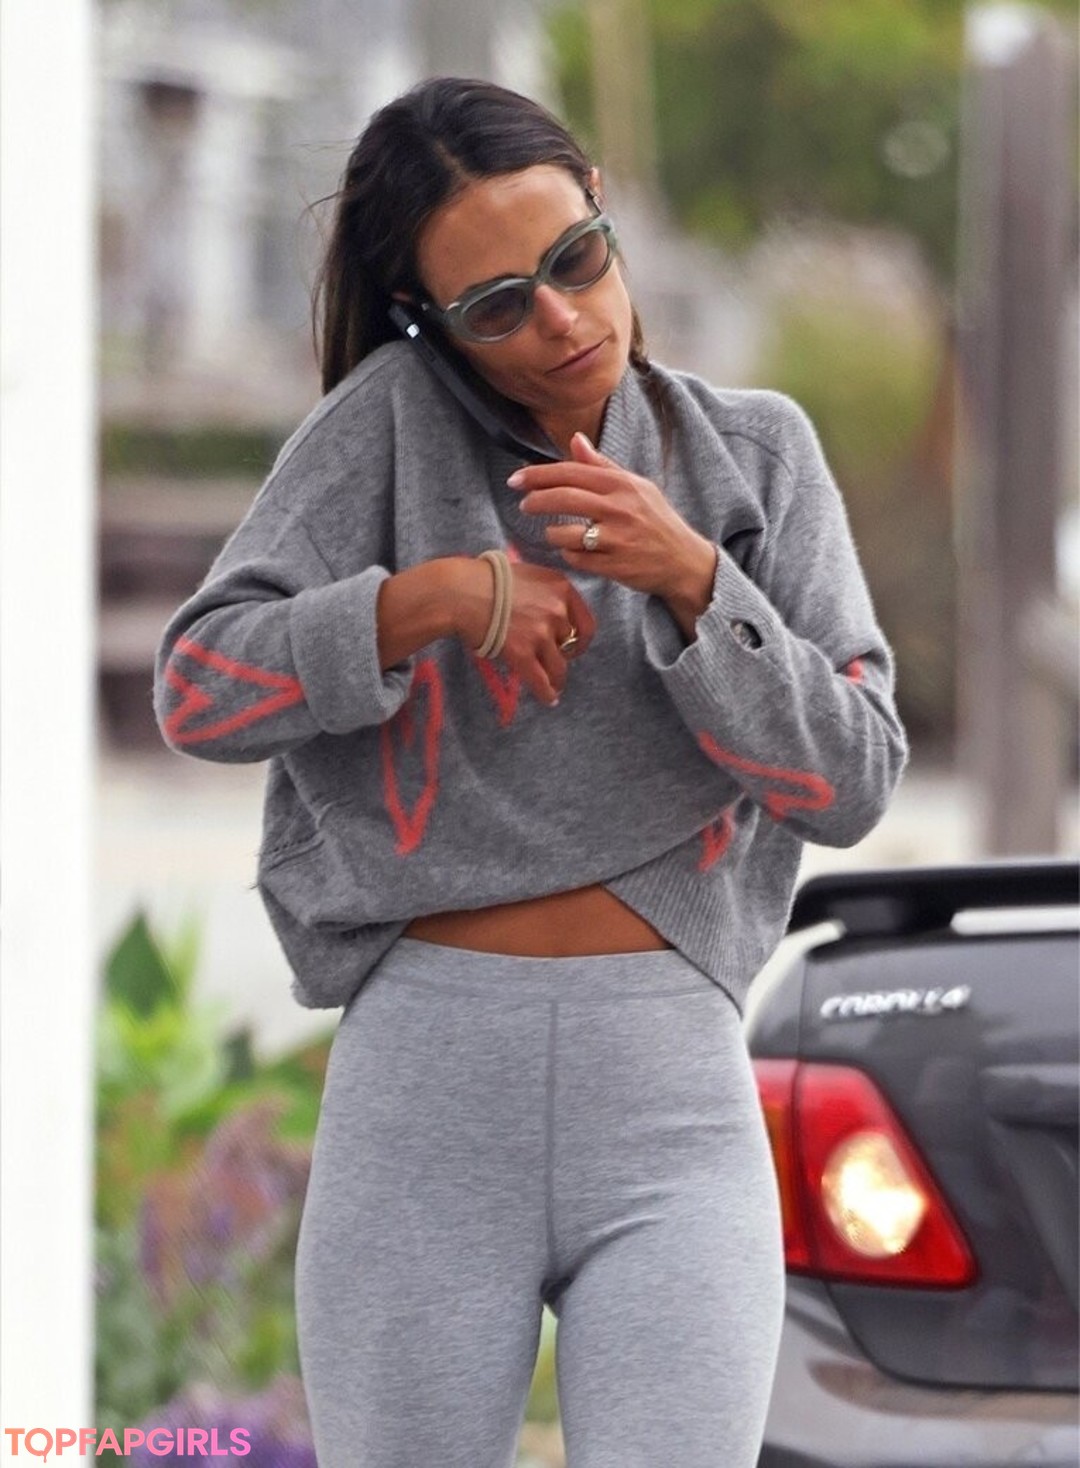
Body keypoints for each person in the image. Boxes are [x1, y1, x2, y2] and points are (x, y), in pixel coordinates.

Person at [154, 76, 907, 1468]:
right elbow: (198, 689)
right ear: (426, 317)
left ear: (604, 210)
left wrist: (696, 579)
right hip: (425, 1094)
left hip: (673, 1099)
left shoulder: (756, 456)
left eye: (576, 258)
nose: (562, 319)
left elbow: (853, 782)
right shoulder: (380, 430)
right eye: (499, 304)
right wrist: (420, 603)